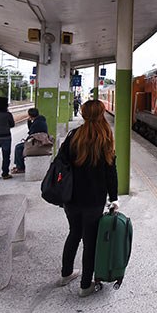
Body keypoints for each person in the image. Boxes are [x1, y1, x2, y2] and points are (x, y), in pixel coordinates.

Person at [57, 99, 118, 297]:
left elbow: (61, 162)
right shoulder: (105, 137)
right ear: (101, 114)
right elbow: (111, 170)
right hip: (94, 198)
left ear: (83, 114)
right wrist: (114, 198)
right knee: (90, 241)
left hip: (71, 196)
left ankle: (66, 274)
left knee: (74, 233)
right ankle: (85, 285)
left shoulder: (74, 135)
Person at [11, 108, 48, 174]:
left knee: (18, 148)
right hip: (39, 141)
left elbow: (31, 133)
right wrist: (29, 122)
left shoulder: (37, 123)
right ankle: (19, 166)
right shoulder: (40, 120)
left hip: (37, 143)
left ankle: (20, 167)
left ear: (30, 116)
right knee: (20, 146)